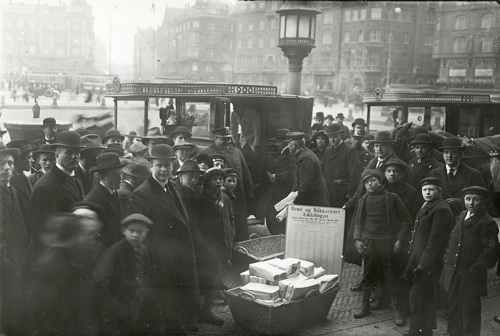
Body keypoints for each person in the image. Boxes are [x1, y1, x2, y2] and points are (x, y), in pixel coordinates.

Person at [129, 144, 200, 333]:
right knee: (163, 310)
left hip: (179, 259)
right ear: (151, 166)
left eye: (167, 166)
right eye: (159, 165)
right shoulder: (142, 193)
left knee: (176, 306)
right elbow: (139, 235)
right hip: (161, 263)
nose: (163, 170)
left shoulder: (172, 187)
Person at [352, 169, 412, 326]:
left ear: (380, 182)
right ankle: (365, 305)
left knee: (391, 274)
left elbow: (406, 219)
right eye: (366, 182)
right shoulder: (363, 200)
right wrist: (357, 239)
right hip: (369, 242)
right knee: (368, 274)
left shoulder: (392, 198)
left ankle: (397, 309)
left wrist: (400, 239)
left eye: (373, 181)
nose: (370, 184)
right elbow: (358, 221)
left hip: (388, 242)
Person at [440, 186, 499, 336]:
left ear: (484, 202)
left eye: (476, 199)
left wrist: (474, 269)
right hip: (454, 271)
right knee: (453, 308)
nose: (471, 203)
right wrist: (447, 257)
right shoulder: (462, 215)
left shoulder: (487, 223)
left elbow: (490, 253)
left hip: (471, 275)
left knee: (469, 312)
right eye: (467, 199)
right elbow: (453, 239)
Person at [403, 177, 454, 336]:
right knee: (422, 298)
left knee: (417, 298)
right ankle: (422, 331)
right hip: (419, 258)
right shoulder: (428, 205)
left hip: (428, 262)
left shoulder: (441, 210)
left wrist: (423, 265)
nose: (427, 192)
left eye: (431, 189)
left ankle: (418, 332)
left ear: (439, 191)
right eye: (425, 189)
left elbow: (435, 242)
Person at [93, 214, 159, 335]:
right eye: (131, 230)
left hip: (136, 302)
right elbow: (101, 277)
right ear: (124, 231)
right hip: (118, 305)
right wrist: (113, 303)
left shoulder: (144, 249)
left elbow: (147, 272)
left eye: (140, 231)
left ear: (146, 233)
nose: (135, 235)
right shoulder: (116, 251)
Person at [189, 168, 234, 325]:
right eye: (215, 179)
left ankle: (206, 311)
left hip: (219, 246)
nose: (219, 182)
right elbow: (195, 226)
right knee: (204, 280)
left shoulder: (225, 198)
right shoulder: (200, 199)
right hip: (204, 248)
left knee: (213, 279)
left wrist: (231, 236)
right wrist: (203, 245)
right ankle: (202, 311)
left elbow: (230, 219)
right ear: (207, 181)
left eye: (221, 179)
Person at [30, 131, 86, 241]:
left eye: (77, 152)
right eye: (69, 153)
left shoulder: (76, 179)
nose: (74, 156)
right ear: (56, 156)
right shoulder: (45, 187)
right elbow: (42, 231)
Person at [200, 127, 254, 242]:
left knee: (240, 228)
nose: (228, 142)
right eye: (224, 139)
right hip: (219, 198)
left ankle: (243, 253)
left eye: (229, 139)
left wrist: (249, 196)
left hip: (238, 197)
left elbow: (246, 174)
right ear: (216, 138)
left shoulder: (237, 152)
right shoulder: (206, 153)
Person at [0, 144, 30, 335]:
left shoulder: (13, 191)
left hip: (15, 260)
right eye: (1, 164)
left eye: (10, 163)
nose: (6, 168)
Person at [429, 137, 485, 215]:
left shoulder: (473, 174)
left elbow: (483, 199)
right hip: (441, 217)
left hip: (464, 219)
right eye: (446, 152)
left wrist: (461, 202)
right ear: (442, 155)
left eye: (453, 152)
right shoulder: (434, 174)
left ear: (459, 154)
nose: (449, 156)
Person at [85, 152, 127, 248]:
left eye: (121, 174)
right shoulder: (93, 200)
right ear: (102, 177)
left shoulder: (113, 190)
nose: (121, 179)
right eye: (116, 176)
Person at [321, 124, 361, 208]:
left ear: (340, 135)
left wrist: (350, 194)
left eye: (335, 136)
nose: (332, 139)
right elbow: (322, 170)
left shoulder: (350, 151)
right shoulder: (328, 150)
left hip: (342, 193)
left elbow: (355, 176)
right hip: (327, 192)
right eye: (330, 137)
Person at [287, 132, 329, 207]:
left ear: (294, 145)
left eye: (288, 144)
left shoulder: (305, 157)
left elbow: (305, 185)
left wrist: (296, 202)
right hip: (310, 198)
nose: (287, 146)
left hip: (315, 201)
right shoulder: (301, 154)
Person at [266, 129, 293, 235]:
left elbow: (291, 173)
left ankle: (279, 236)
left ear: (285, 141)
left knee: (279, 214)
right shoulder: (283, 153)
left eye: (278, 141)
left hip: (285, 191)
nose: (276, 144)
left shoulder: (289, 153)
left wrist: (277, 176)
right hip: (279, 189)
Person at [6, 140, 34, 229]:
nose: (33, 160)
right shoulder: (10, 182)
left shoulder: (22, 176)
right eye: (29, 157)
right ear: (18, 160)